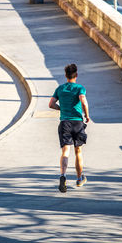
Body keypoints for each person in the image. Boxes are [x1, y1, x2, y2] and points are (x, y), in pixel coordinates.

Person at [48, 64, 90, 193]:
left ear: (66, 76)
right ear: (76, 75)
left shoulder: (60, 89)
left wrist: (62, 108)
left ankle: (63, 175)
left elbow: (51, 104)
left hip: (64, 122)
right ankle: (79, 179)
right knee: (78, 151)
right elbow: (83, 100)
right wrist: (87, 115)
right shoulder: (80, 88)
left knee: (65, 151)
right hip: (77, 122)